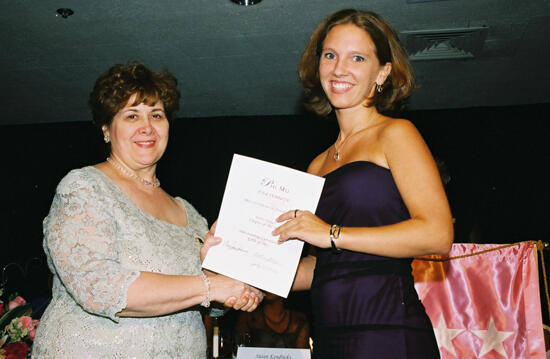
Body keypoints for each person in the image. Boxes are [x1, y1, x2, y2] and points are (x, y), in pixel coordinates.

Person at [32, 63, 263, 359]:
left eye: (157, 115)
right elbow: (99, 287)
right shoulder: (84, 187)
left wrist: (233, 285)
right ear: (106, 128)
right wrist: (211, 286)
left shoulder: (189, 213)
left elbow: (208, 299)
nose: (147, 127)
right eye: (131, 115)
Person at [272, 9, 454, 358]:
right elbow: (321, 265)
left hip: (388, 331)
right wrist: (248, 269)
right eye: (330, 55)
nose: (339, 69)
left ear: (382, 72)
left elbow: (437, 234)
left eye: (357, 57)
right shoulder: (317, 164)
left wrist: (331, 233)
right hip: (329, 335)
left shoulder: (395, 134)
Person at [234, 292, 310, 350]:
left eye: (274, 283)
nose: (269, 289)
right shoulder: (249, 316)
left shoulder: (298, 319)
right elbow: (239, 348)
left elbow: (303, 353)